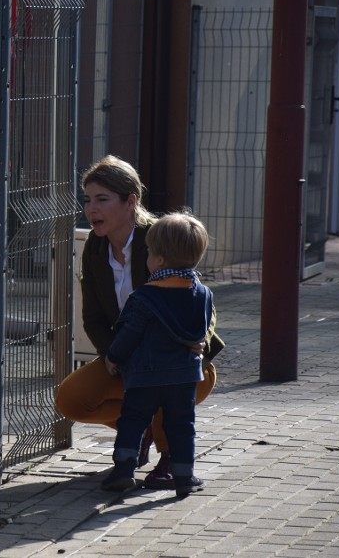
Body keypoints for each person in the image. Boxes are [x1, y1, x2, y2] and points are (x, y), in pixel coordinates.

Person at [55, 155, 223, 489]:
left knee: (172, 390)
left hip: (179, 357)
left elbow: (197, 295)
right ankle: (142, 429)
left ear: (131, 201)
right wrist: (115, 356)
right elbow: (92, 317)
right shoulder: (93, 246)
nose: (91, 209)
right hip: (127, 356)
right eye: (87, 200)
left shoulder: (159, 237)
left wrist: (200, 338)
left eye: (102, 200)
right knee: (70, 399)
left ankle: (170, 460)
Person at [100, 211, 214, 498]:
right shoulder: (203, 294)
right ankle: (184, 476)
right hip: (185, 376)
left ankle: (124, 470)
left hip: (145, 374)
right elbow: (200, 332)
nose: (147, 257)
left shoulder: (143, 297)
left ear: (159, 261)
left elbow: (129, 334)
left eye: (149, 252)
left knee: (133, 420)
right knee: (182, 425)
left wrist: (114, 357)